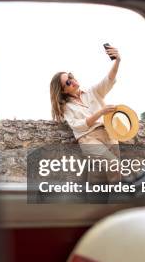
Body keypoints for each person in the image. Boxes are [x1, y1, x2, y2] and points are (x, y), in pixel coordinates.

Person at [49, 45, 121, 183]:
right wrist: (100, 112)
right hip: (88, 138)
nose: (73, 81)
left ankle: (95, 201)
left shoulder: (92, 92)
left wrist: (117, 61)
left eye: (70, 76)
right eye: (68, 82)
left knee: (100, 175)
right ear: (63, 90)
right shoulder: (66, 107)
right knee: (114, 165)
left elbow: (109, 79)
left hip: (109, 133)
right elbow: (78, 126)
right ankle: (116, 201)